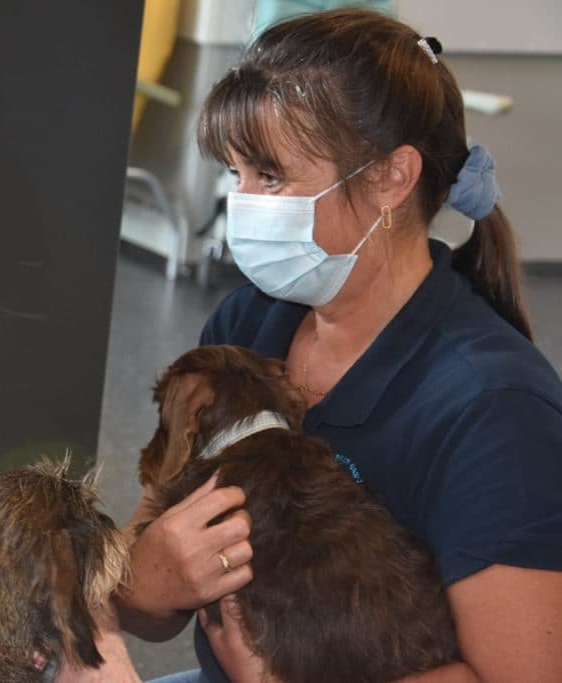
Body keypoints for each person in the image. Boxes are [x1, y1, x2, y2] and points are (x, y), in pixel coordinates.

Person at [117, 9, 562, 683]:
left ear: (391, 177)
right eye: (235, 174)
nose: (243, 204)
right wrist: (141, 580)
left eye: (269, 176)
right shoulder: (247, 326)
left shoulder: (493, 408)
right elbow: (155, 585)